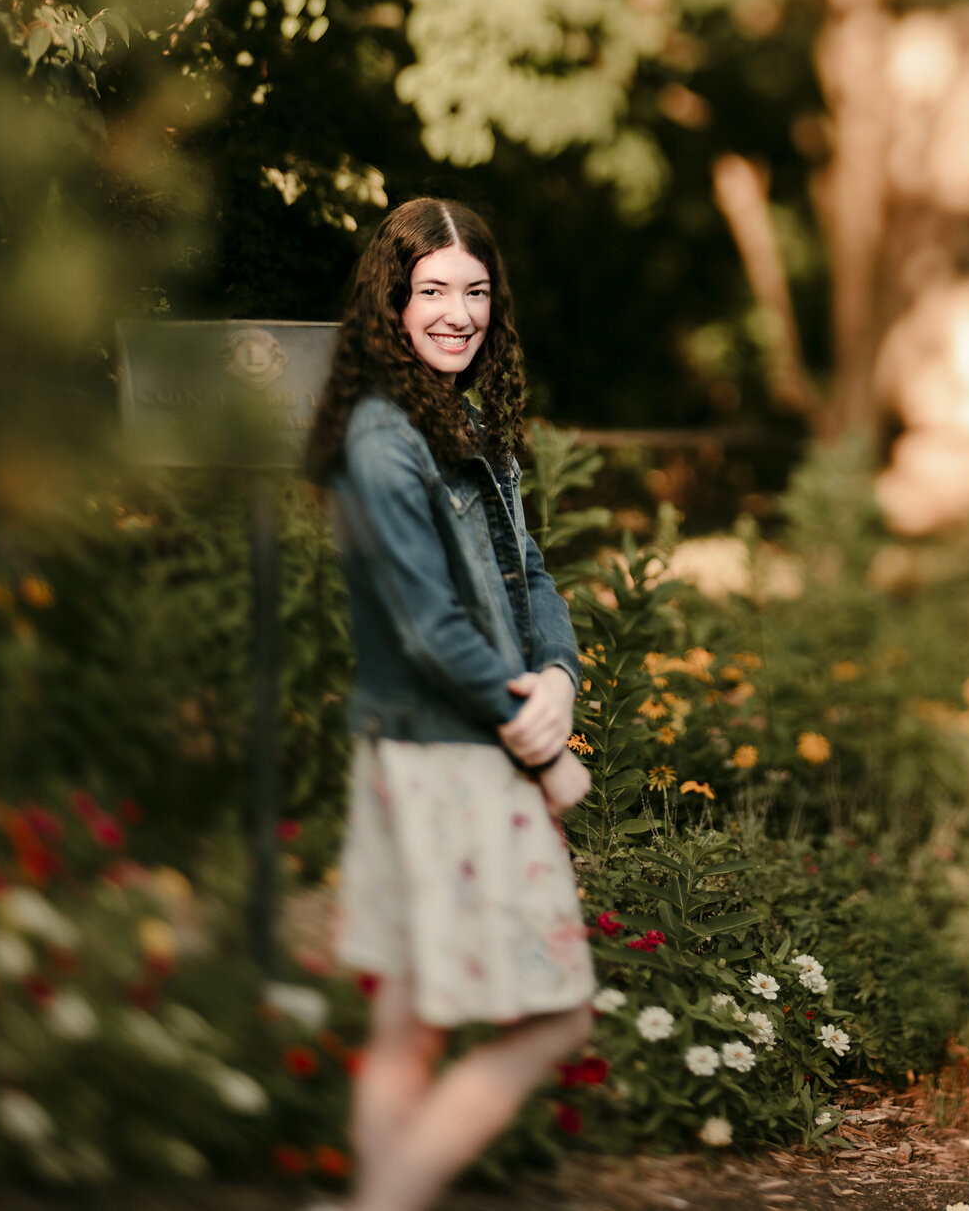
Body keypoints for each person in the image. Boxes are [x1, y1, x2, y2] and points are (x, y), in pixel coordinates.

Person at [306, 197, 595, 1211]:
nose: (458, 313)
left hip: (460, 745)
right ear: (393, 298)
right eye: (434, 290)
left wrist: (559, 679)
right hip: (440, 755)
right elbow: (431, 627)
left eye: (475, 293)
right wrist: (538, 741)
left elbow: (531, 572)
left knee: (413, 1024)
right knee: (555, 1016)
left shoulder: (468, 420)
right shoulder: (386, 434)